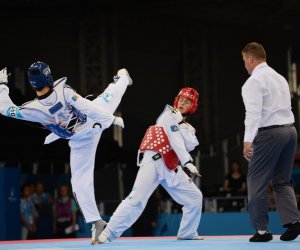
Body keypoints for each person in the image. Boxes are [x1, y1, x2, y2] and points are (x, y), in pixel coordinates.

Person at [0, 62, 132, 244]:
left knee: (80, 181)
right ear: (49, 77)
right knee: (109, 96)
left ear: (32, 84)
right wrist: (111, 119)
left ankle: (95, 220)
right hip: (91, 126)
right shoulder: (64, 91)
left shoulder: (33, 109)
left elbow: (5, 109)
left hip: (83, 136)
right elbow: (87, 106)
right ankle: (123, 78)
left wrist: (1, 86)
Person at [97, 87, 203, 244]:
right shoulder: (168, 114)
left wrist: (181, 123)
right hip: (153, 160)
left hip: (171, 166)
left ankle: (187, 232)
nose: (182, 103)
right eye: (181, 99)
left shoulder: (188, 128)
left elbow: (191, 144)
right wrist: (187, 161)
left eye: (187, 102)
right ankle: (108, 232)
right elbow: (175, 140)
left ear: (192, 107)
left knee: (195, 197)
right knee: (136, 200)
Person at [241, 42, 300, 242]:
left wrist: (248, 140)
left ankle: (262, 231)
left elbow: (253, 114)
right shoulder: (280, 78)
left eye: (244, 61)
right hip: (290, 132)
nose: (245, 65)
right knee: (282, 180)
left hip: (269, 134)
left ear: (250, 59)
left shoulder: (253, 82)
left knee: (257, 181)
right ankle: (293, 222)